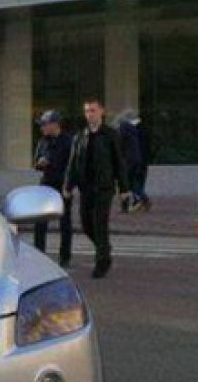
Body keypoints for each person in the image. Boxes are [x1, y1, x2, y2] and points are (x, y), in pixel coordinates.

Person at [64, 98, 132, 279]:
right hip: (85, 187)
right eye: (87, 111)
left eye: (93, 110)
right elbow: (72, 163)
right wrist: (68, 186)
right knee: (86, 224)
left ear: (102, 112)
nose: (89, 114)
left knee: (100, 224)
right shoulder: (80, 136)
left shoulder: (110, 135)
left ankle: (101, 262)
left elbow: (119, 162)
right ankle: (105, 249)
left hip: (104, 187)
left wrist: (124, 188)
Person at [32, 110, 73, 267]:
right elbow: (35, 163)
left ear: (54, 125)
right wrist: (39, 163)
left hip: (62, 184)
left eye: (44, 124)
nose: (42, 128)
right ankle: (39, 254)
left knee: (65, 222)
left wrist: (69, 186)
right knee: (40, 221)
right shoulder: (43, 141)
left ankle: (65, 257)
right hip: (46, 184)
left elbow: (72, 165)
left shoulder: (68, 141)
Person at [116, 110, 150, 212]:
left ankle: (130, 204)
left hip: (128, 160)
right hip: (138, 159)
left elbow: (119, 144)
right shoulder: (135, 130)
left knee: (126, 183)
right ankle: (139, 200)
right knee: (134, 182)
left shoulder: (123, 129)